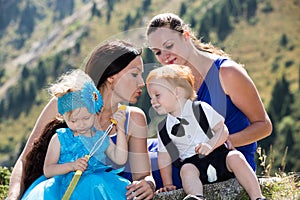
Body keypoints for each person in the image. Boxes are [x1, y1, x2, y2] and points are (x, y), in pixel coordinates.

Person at [8, 40, 155, 200]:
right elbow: (24, 160)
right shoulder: (65, 103)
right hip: (56, 191)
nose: (142, 83)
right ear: (111, 77)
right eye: (135, 74)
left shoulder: (134, 118)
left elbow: (144, 176)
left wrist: (149, 184)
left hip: (101, 190)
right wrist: (13, 197)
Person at [146, 13, 272, 188]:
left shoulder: (226, 73)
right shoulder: (176, 79)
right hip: (191, 156)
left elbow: (264, 126)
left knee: (133, 167)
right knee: (140, 147)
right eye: (158, 52)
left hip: (225, 162)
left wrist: (220, 143)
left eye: (169, 45)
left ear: (186, 36)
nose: (164, 56)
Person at [146, 64, 267, 200]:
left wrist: (210, 144)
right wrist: (168, 183)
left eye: (157, 95)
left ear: (177, 92)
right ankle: (196, 196)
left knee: (236, 157)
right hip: (193, 164)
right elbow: (164, 157)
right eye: (151, 97)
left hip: (218, 154)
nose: (152, 101)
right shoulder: (163, 127)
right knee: (186, 171)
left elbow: (222, 129)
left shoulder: (201, 109)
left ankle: (257, 196)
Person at [22, 69, 130, 199]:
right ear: (62, 118)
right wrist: (71, 166)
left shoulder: (99, 137)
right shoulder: (60, 138)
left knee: (95, 183)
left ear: (95, 113)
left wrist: (121, 129)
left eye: (86, 118)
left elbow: (120, 158)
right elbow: (48, 170)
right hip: (64, 187)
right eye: (73, 120)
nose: (80, 124)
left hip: (96, 185)